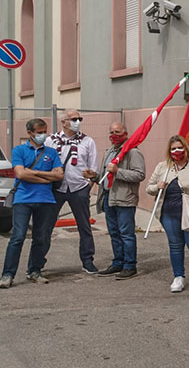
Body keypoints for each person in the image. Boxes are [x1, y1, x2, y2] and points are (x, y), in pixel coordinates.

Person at [0, 119, 63, 288]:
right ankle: (7, 274)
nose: (43, 134)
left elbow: (59, 175)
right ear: (30, 133)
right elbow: (20, 174)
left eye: (45, 131)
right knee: (18, 237)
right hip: (23, 200)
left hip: (46, 200)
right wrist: (45, 176)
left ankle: (34, 270)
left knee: (41, 238)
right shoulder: (19, 150)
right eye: (39, 131)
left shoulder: (52, 152)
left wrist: (33, 172)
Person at [146, 135, 189, 293]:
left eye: (180, 147)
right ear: (169, 151)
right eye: (173, 148)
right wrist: (157, 186)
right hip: (169, 214)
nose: (177, 151)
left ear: (186, 149)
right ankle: (178, 277)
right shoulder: (162, 167)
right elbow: (149, 187)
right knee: (175, 246)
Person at [88, 122, 145, 279]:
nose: (114, 135)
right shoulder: (110, 151)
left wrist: (118, 171)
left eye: (118, 132)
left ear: (126, 134)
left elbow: (139, 175)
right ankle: (118, 262)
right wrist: (93, 176)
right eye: (111, 132)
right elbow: (105, 176)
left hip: (124, 198)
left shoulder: (132, 152)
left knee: (126, 233)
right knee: (114, 232)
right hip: (109, 197)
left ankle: (129, 265)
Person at [48, 109, 99, 274]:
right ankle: (37, 263)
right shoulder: (51, 140)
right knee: (46, 226)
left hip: (79, 188)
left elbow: (94, 168)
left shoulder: (87, 141)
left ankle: (88, 260)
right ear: (64, 122)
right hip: (57, 188)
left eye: (79, 119)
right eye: (74, 119)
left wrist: (87, 188)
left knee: (84, 226)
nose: (78, 122)